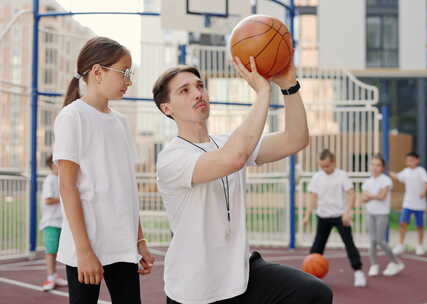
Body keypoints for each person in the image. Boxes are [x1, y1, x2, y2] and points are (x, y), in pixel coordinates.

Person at [154, 56, 332, 304]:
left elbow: (296, 138)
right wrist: (262, 94)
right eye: (184, 90)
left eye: (200, 86)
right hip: (195, 288)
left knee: (314, 293)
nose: (197, 93)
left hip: (240, 275)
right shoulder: (171, 159)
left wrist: (289, 86)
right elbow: (234, 157)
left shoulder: (227, 142)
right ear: (167, 109)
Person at [53, 37, 155, 304]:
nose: (129, 81)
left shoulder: (120, 123)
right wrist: (84, 251)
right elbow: (67, 187)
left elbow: (126, 188)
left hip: (121, 246)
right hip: (88, 246)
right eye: (124, 73)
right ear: (98, 72)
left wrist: (139, 240)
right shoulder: (71, 117)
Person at [302, 149, 366, 287]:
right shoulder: (317, 177)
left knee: (349, 244)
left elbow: (351, 193)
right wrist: (307, 215)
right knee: (317, 246)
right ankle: (310, 278)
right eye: (322, 166)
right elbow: (313, 197)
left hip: (340, 216)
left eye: (327, 165)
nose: (324, 168)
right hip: (323, 216)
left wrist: (348, 211)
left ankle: (358, 272)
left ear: (333, 162)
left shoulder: (342, 176)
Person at [360, 154, 404, 277]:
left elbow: (382, 197)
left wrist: (370, 196)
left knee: (380, 240)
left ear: (383, 167)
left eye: (378, 165)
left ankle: (396, 262)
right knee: (372, 241)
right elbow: (362, 199)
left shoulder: (386, 180)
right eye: (373, 164)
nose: (375, 167)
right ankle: (374, 265)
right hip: (370, 213)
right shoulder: (367, 182)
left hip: (382, 214)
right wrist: (373, 196)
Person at [390, 152, 427, 256]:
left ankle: (420, 245)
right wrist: (387, 172)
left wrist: (424, 192)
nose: (409, 162)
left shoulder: (421, 171)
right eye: (407, 160)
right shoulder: (405, 172)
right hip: (407, 203)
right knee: (403, 223)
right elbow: (397, 176)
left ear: (417, 160)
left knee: (420, 226)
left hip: (419, 204)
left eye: (411, 160)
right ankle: (400, 244)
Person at [40, 155, 69, 291]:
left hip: (61, 222)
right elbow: (48, 200)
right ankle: (50, 277)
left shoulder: (61, 179)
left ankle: (54, 275)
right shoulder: (50, 180)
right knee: (51, 250)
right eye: (58, 164)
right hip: (51, 222)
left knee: (58, 250)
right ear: (51, 166)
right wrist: (65, 197)